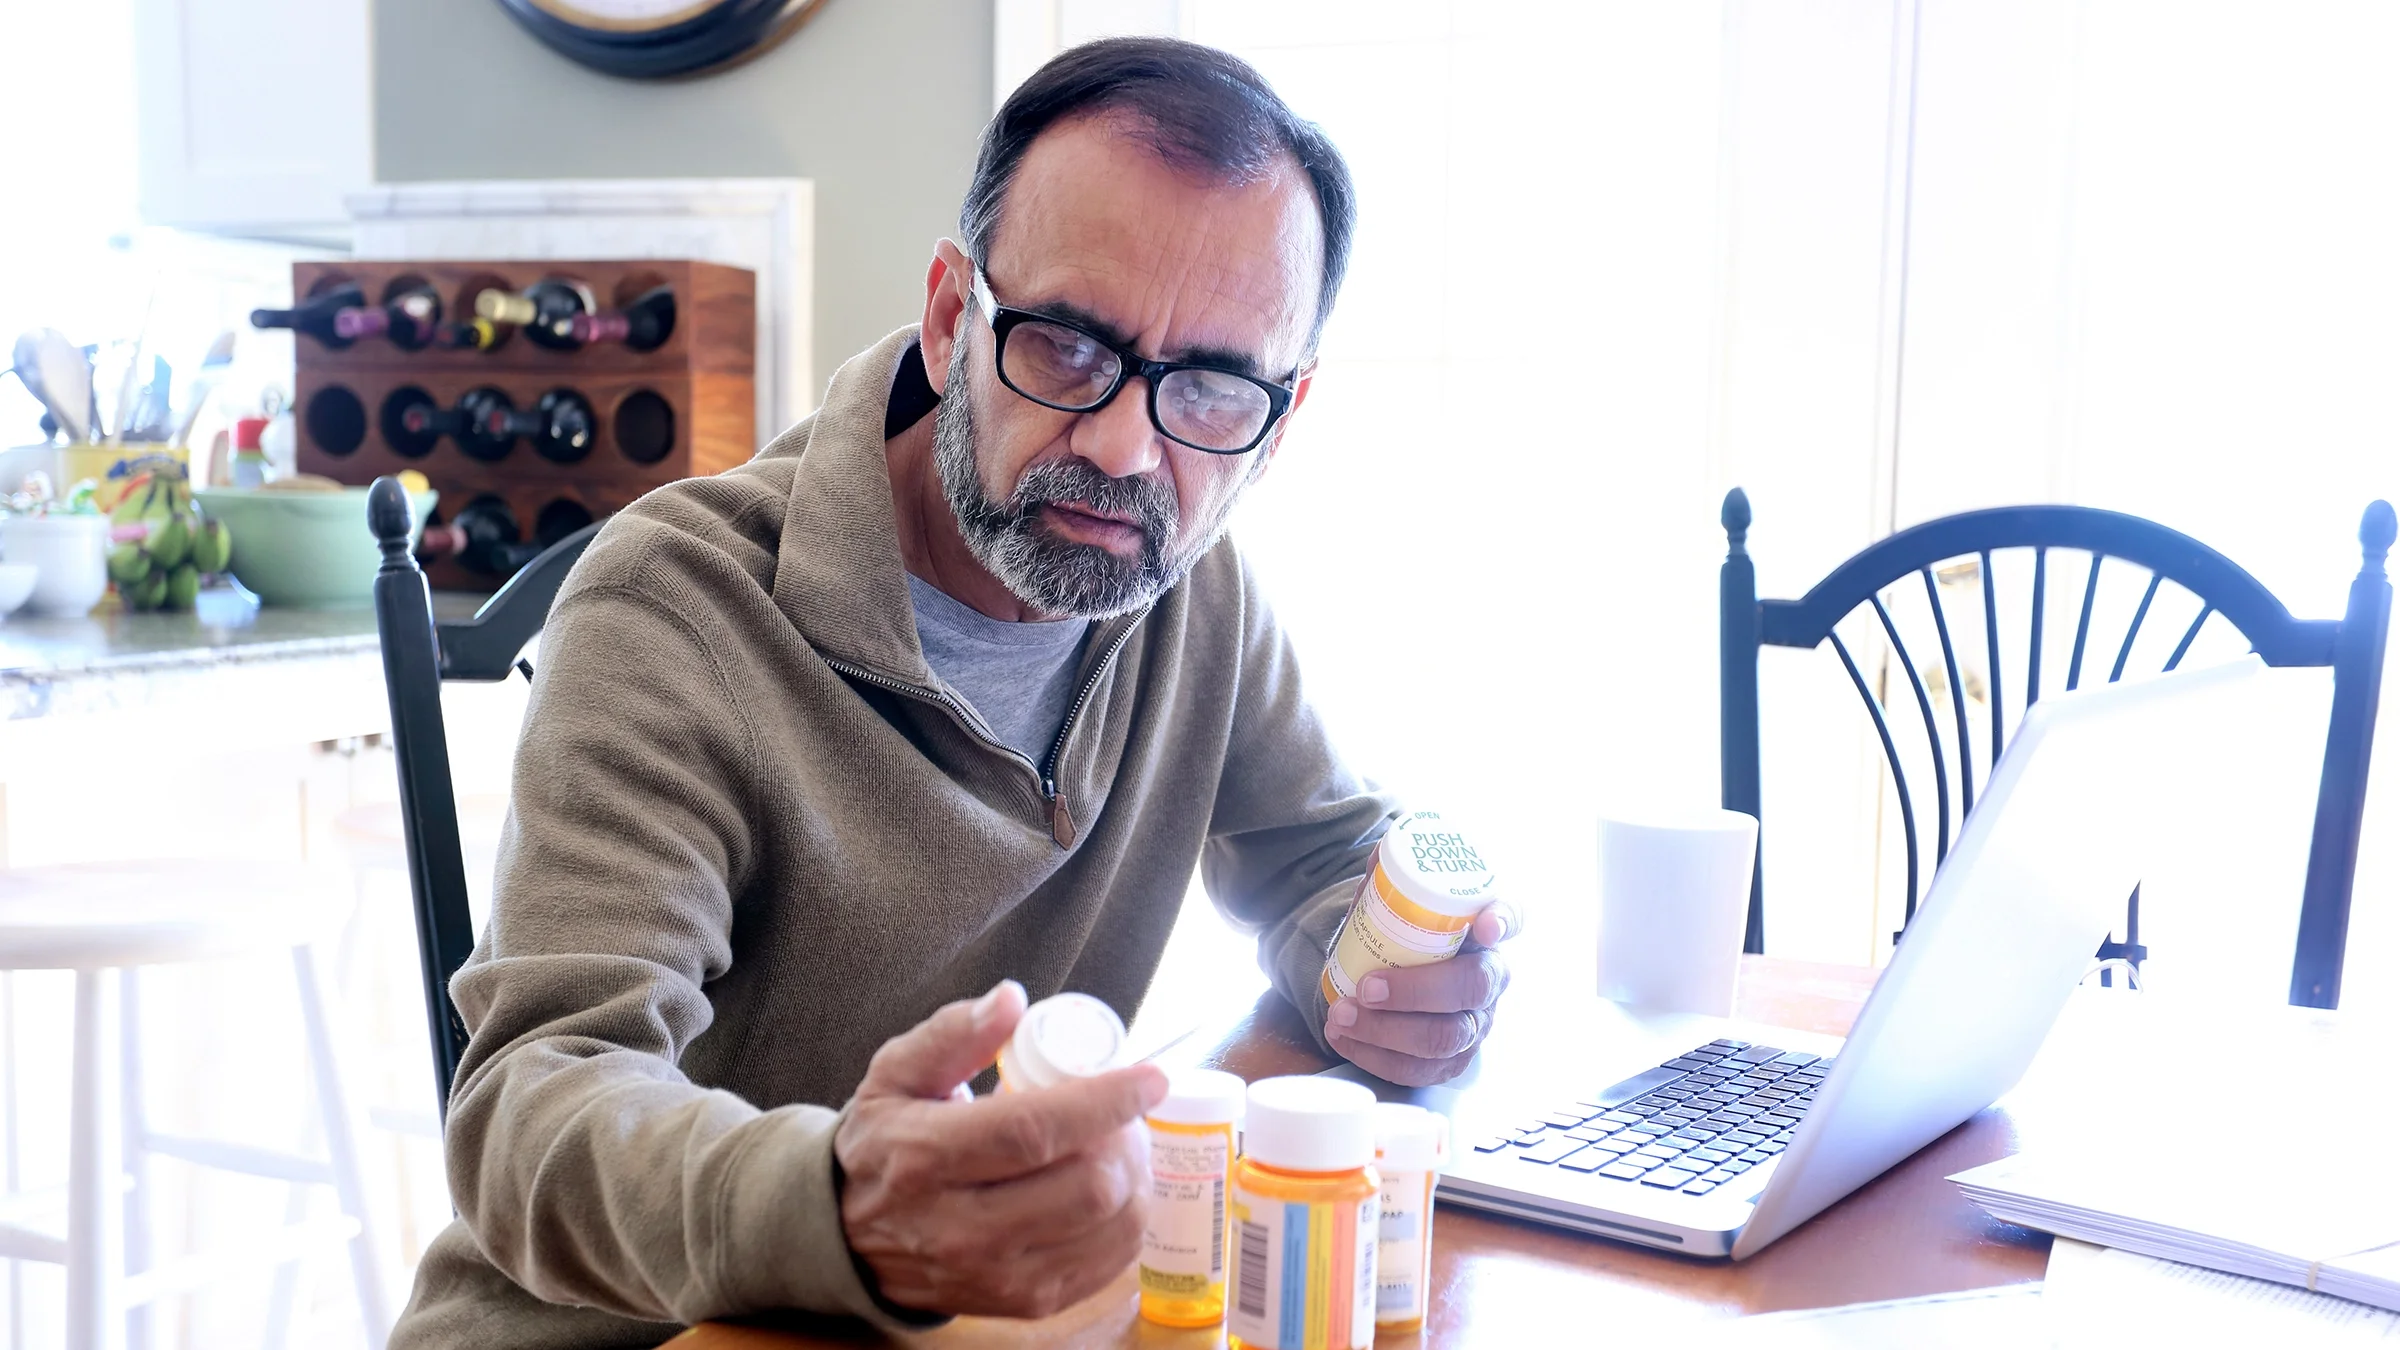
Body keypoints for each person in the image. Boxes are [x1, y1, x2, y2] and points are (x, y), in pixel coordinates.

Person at [390, 36, 1517, 1349]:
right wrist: (841, 1205)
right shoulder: (676, 606)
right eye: (1069, 346)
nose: (1123, 445)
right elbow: (534, 1104)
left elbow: (1325, 853)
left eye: (1211, 387)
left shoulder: (1188, 588)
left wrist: (1377, 970)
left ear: (1281, 415)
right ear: (948, 315)